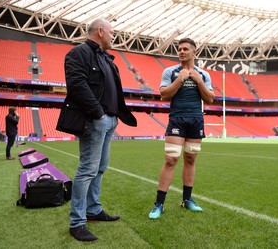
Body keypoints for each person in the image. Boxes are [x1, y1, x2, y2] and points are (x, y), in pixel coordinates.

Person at [57, 18, 137, 242]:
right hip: (95, 120)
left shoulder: (105, 58)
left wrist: (113, 117)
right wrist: (99, 114)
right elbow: (77, 85)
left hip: (109, 120)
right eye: (112, 32)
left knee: (100, 168)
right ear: (100, 31)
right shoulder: (79, 53)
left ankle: (93, 210)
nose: (114, 36)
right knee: (87, 170)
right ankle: (77, 222)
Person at [148, 38, 214, 219]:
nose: (181, 52)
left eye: (185, 49)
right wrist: (180, 79)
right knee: (171, 160)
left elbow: (209, 99)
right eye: (179, 49)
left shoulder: (204, 74)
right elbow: (164, 95)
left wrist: (199, 81)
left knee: (191, 159)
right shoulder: (170, 72)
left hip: (196, 120)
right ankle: (159, 204)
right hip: (177, 119)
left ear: (194, 52)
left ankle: (187, 200)